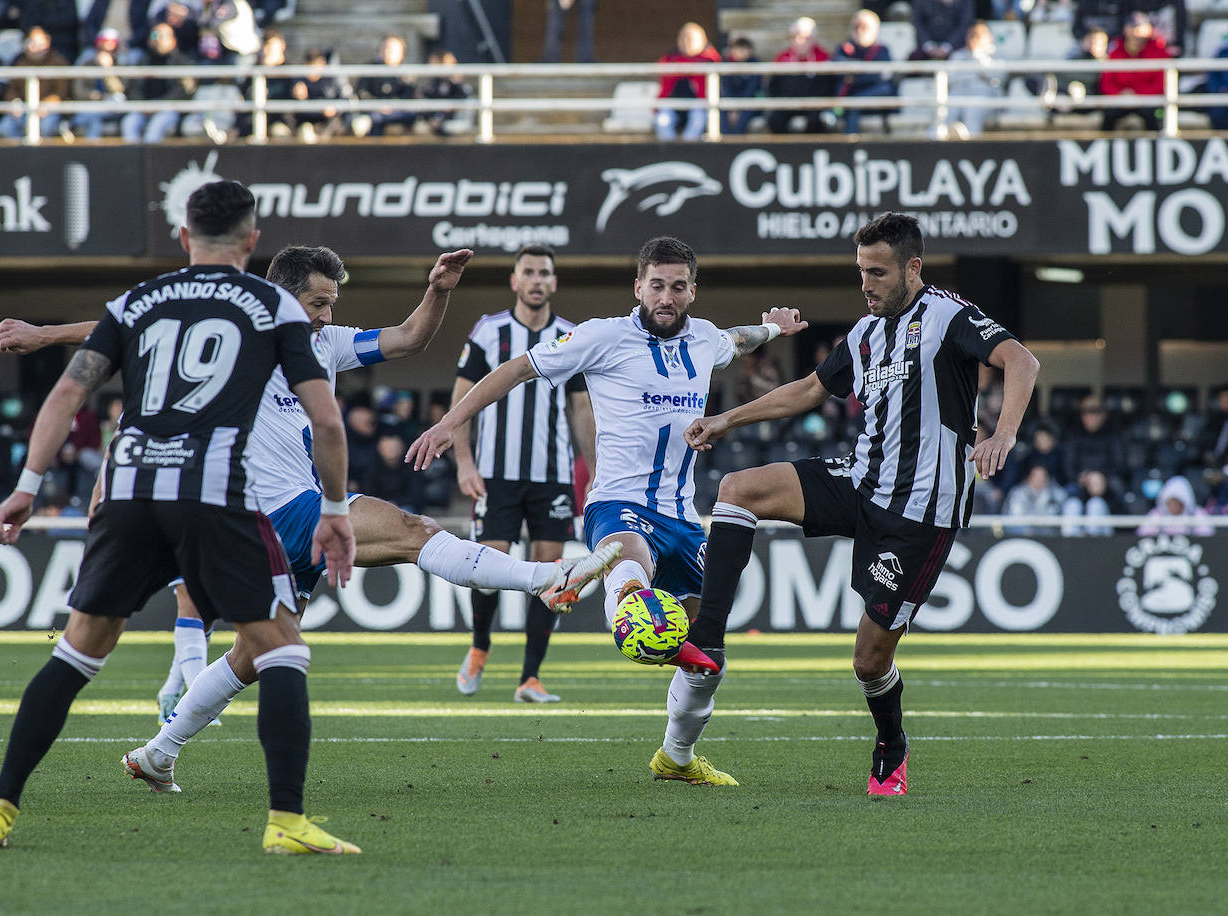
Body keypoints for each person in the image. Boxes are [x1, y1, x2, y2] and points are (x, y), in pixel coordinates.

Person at [0, 244, 621, 772]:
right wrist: (42, 334)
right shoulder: (240, 327)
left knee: (252, 655)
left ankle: (160, 752)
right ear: (285, 297)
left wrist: (438, 290)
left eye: (331, 305)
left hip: (289, 511)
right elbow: (131, 324)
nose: (327, 316)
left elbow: (406, 339)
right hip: (274, 505)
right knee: (412, 530)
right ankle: (547, 577)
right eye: (319, 303)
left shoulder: (320, 342)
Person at [0, 179, 362, 856]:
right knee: (283, 649)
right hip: (211, 492)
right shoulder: (273, 306)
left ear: (184, 237)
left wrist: (28, 486)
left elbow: (68, 389)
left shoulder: (139, 300)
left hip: (129, 487)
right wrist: (333, 508)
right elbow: (325, 418)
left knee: (79, 649)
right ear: (252, 241)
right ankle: (286, 822)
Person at [408, 235, 807, 786]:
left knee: (706, 651)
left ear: (692, 291)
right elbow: (515, 370)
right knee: (629, 557)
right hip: (617, 502)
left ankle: (677, 757)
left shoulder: (706, 340)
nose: (666, 297)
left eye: (678, 287)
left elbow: (738, 340)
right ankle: (617, 594)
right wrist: (450, 423)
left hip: (683, 518)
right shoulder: (602, 336)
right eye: (656, 285)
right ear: (637, 286)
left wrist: (774, 329)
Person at [679, 212, 1040, 796]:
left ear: (912, 269)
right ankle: (711, 639)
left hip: (919, 513)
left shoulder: (948, 316)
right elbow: (811, 389)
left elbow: (1022, 361)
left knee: (869, 661)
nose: (866, 284)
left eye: (877, 272)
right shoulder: (865, 334)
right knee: (736, 490)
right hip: (860, 482)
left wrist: (1003, 434)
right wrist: (727, 418)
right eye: (861, 272)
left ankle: (891, 745)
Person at [449, 245, 597, 704]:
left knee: (550, 572)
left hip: (552, 475)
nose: (536, 280)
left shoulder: (571, 336)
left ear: (554, 283)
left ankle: (530, 677)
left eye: (544, 273)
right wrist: (464, 461)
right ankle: (479, 645)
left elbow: (580, 406)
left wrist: (593, 470)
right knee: (489, 568)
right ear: (515, 281)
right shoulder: (489, 332)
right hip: (495, 473)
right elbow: (461, 397)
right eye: (528, 272)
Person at [1098, 11, 1171, 132]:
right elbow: (1106, 82)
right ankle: (1101, 147)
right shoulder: (1116, 52)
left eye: (1140, 26)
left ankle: (1155, 147)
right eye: (1132, 26)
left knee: (1152, 115)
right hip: (1121, 101)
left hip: (1148, 102)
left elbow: (1162, 83)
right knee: (1109, 114)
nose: (1136, 32)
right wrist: (1121, 96)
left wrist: (1138, 95)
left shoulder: (1158, 52)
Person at [832, 9, 897, 136]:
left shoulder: (882, 50)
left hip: (877, 98)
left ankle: (850, 143)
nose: (859, 31)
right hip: (851, 97)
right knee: (849, 101)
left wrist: (855, 77)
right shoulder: (845, 49)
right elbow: (837, 71)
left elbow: (882, 76)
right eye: (856, 27)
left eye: (864, 27)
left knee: (857, 101)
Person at [654, 22, 721, 141]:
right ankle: (668, 150)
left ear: (703, 40)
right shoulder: (670, 58)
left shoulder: (710, 59)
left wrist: (688, 69)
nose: (685, 42)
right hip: (674, 102)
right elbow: (664, 86)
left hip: (699, 104)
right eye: (682, 38)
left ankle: (687, 150)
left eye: (690, 39)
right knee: (662, 120)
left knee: (698, 119)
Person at [767, 17, 832, 134]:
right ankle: (785, 150)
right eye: (796, 36)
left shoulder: (823, 58)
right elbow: (774, 87)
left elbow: (827, 88)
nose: (800, 41)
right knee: (775, 120)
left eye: (805, 38)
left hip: (814, 105)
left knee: (816, 121)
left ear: (813, 39)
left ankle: (809, 151)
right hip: (788, 104)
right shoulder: (782, 58)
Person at [947, 21, 1006, 138]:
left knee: (972, 113)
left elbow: (998, 79)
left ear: (989, 37)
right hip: (959, 93)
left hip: (984, 95)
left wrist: (977, 55)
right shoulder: (958, 55)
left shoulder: (997, 56)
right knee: (944, 114)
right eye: (971, 35)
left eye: (978, 35)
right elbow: (950, 77)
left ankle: (970, 148)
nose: (973, 39)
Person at [1136, 474, 1213, 536]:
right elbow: (1142, 535)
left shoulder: (1197, 514)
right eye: (1170, 503)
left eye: (1177, 502)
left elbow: (1207, 537)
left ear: (1184, 502)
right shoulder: (1157, 514)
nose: (1174, 506)